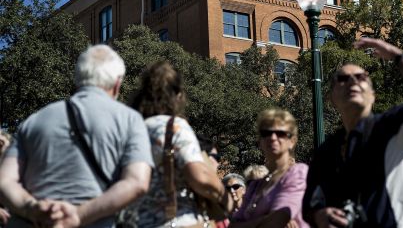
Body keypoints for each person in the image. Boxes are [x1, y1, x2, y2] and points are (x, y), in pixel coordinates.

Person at [0, 44, 153, 227]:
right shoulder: (130, 119)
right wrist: (78, 216)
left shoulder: (33, 121)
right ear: (117, 83)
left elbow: (4, 181)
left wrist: (32, 208)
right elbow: (138, 182)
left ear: (78, 78)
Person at [303, 37, 403, 228]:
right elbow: (311, 204)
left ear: (373, 95)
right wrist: (320, 215)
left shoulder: (393, 125)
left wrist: (398, 56)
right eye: (342, 79)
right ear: (331, 98)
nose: (352, 81)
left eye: (361, 77)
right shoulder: (327, 150)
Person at [125, 61, 232, 227]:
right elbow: (200, 177)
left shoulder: (131, 130)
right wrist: (227, 199)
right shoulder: (174, 127)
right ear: (178, 95)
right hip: (176, 220)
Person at [232, 109, 308, 227]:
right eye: (266, 133)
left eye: (280, 133)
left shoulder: (297, 173)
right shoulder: (255, 185)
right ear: (260, 141)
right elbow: (232, 225)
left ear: (292, 141)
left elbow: (277, 221)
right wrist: (265, 219)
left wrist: (247, 224)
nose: (273, 137)